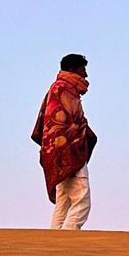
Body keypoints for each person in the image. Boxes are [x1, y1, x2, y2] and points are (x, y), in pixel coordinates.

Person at [31, 54, 98, 229]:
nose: (86, 76)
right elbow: (66, 124)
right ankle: (68, 242)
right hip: (68, 151)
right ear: (73, 69)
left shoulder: (58, 89)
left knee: (64, 203)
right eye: (83, 70)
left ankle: (55, 244)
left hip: (57, 152)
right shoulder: (63, 89)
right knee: (82, 201)